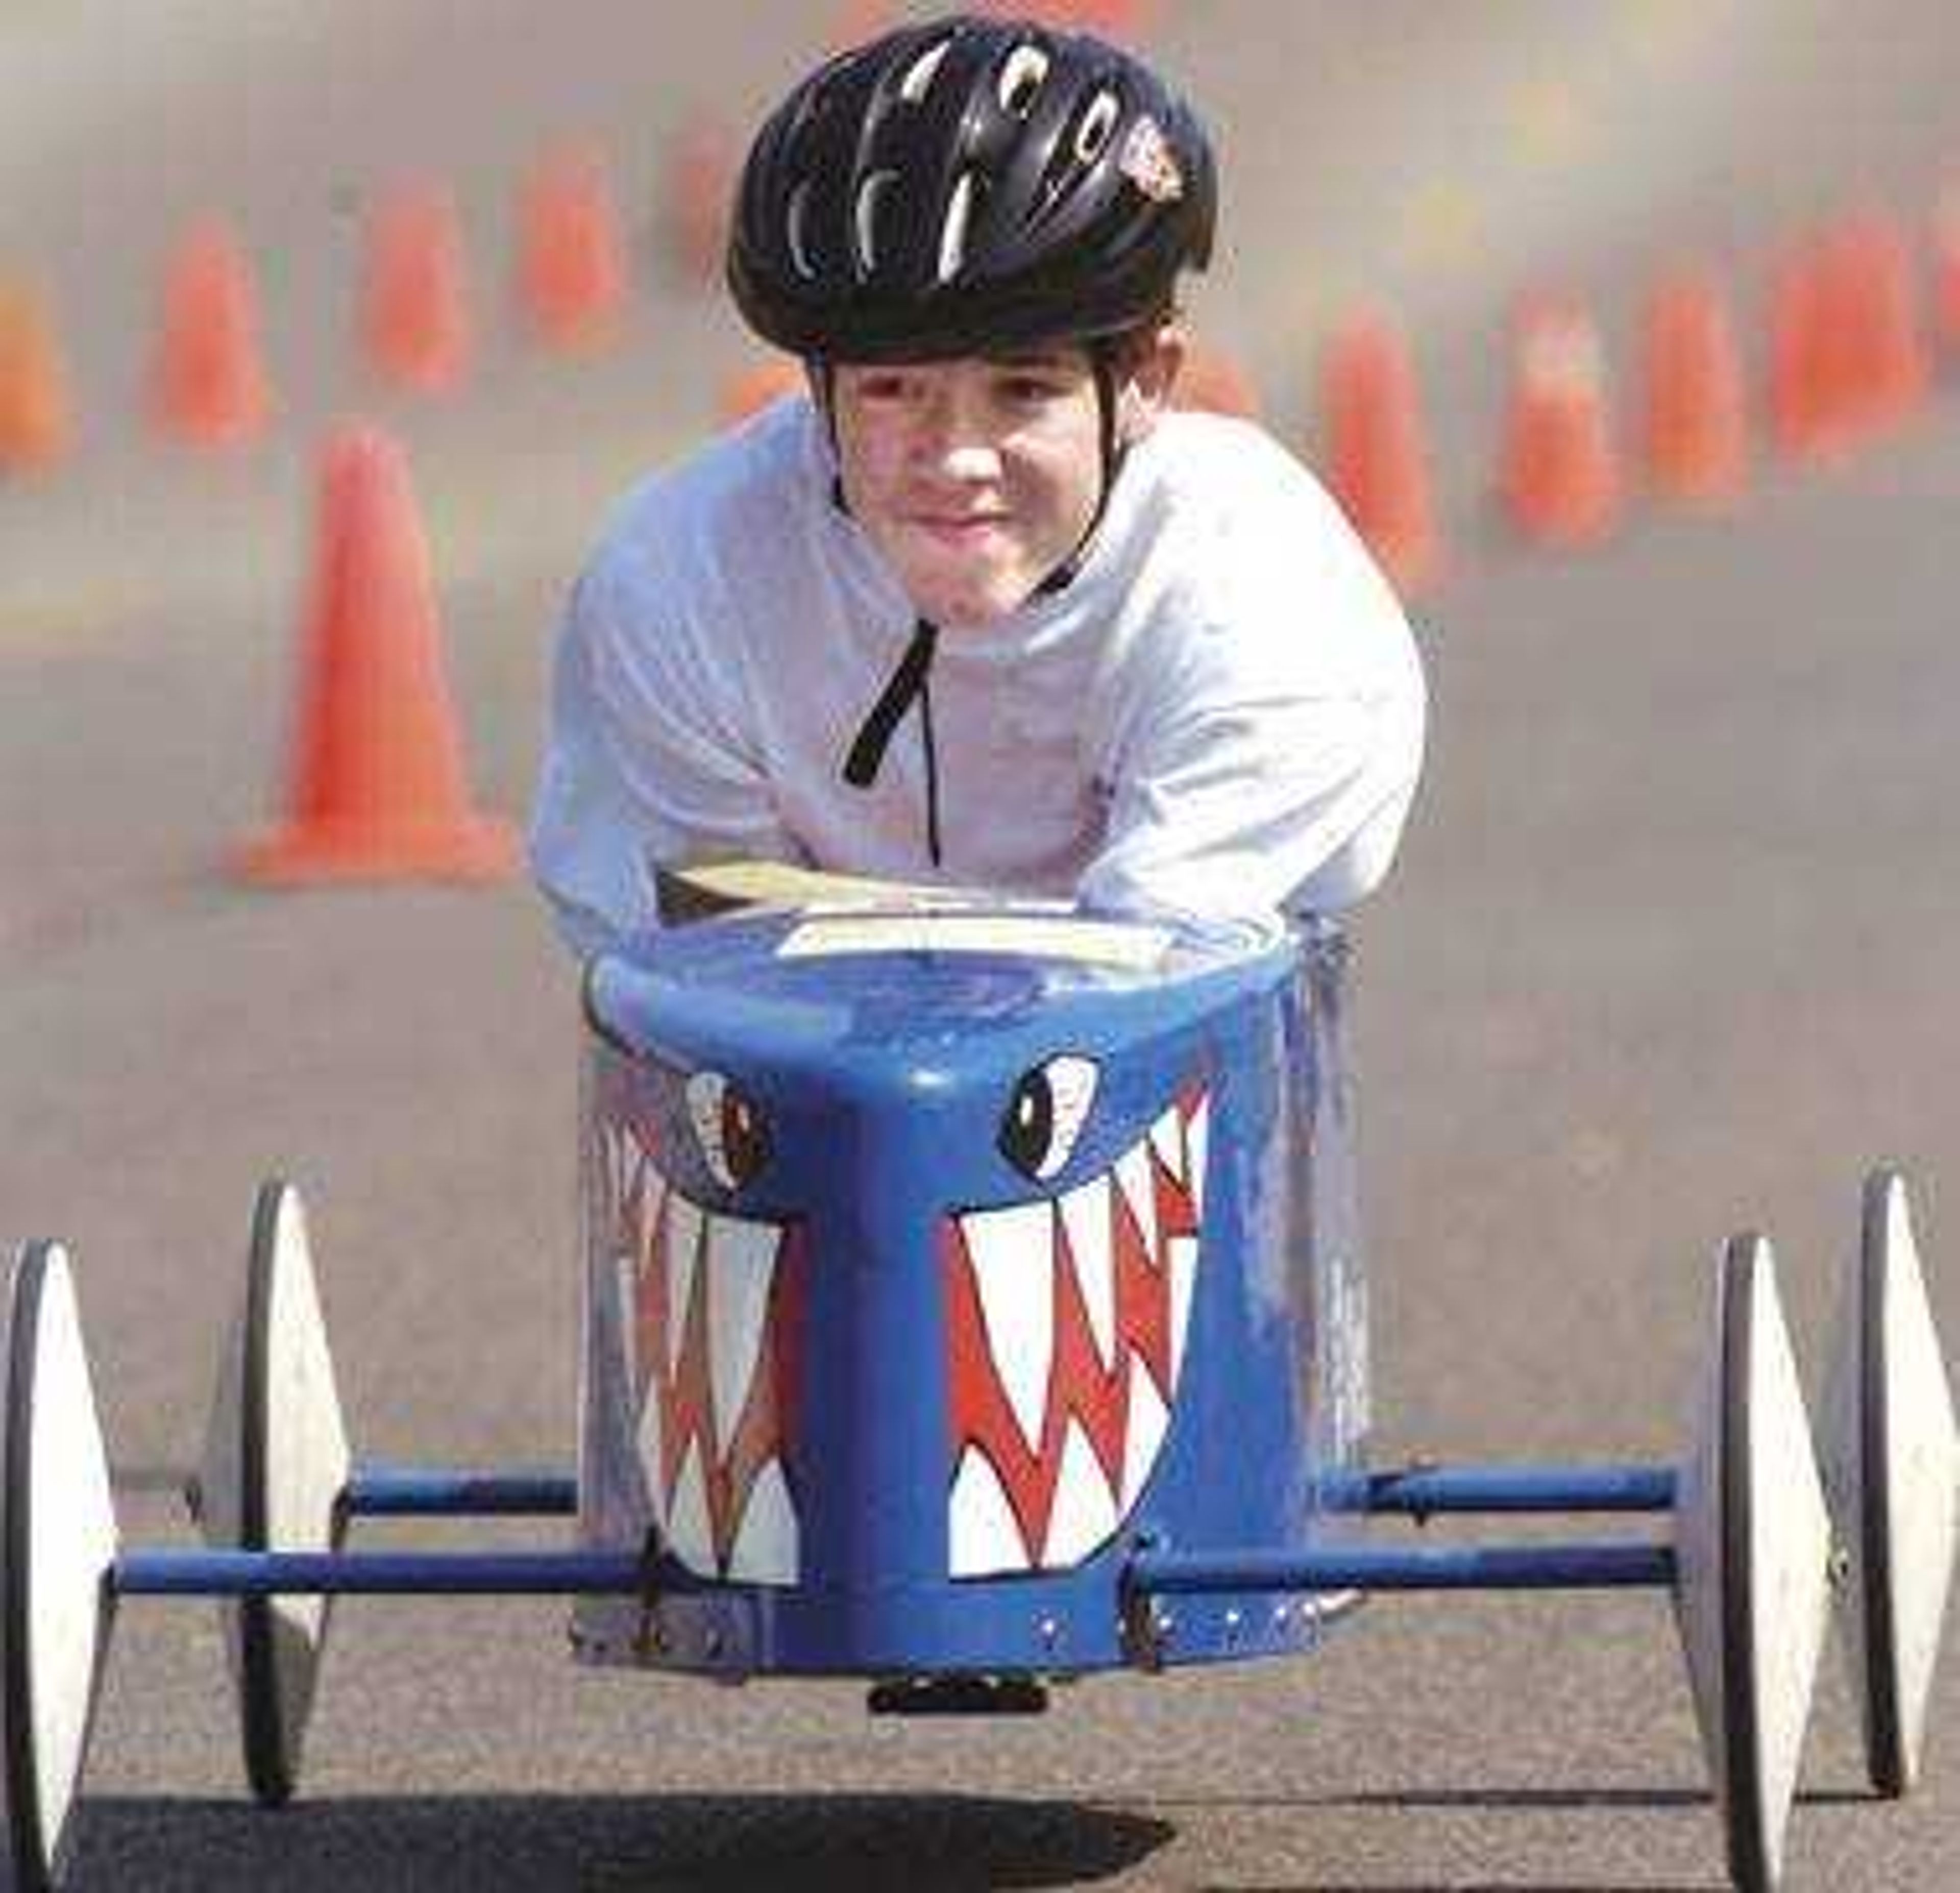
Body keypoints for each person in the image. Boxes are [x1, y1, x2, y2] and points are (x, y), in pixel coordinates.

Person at [530, 11, 1426, 956]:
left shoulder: (1260, 598)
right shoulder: (682, 582)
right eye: (894, 390)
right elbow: (708, 977)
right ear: (818, 391)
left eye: (1023, 390)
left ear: (1144, 384)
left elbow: (1159, 984)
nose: (956, 458)